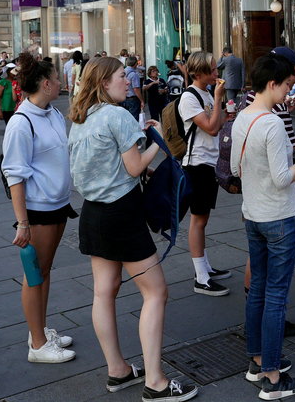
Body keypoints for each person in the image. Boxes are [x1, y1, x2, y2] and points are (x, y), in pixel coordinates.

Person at [68, 57, 198, 402]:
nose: (128, 81)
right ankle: (155, 381)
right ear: (104, 82)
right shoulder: (118, 115)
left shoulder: (81, 119)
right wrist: (159, 142)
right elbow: (134, 166)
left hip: (92, 214)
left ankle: (118, 370)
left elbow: (105, 164)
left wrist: (137, 138)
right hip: (122, 214)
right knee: (156, 292)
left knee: (103, 292)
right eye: (121, 76)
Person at [232, 55, 295, 400]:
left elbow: (238, 165)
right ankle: (272, 376)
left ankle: (257, 359)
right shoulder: (271, 123)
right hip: (279, 217)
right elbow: (283, 177)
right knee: (276, 295)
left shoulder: (242, 117)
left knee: (258, 288)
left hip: (253, 214)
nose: (290, 91)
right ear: (272, 84)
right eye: (287, 85)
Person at [2, 52, 77, 364]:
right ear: (46, 84)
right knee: (34, 274)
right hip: (38, 210)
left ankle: (41, 332)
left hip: (58, 205)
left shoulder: (52, 113)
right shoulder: (21, 123)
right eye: (57, 78)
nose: (61, 82)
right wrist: (22, 223)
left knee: (44, 272)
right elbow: (14, 175)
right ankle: (37, 344)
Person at [179, 51, 230, 296]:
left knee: (203, 219)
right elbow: (210, 128)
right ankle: (200, 277)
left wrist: (222, 109)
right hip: (196, 164)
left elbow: (217, 124)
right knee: (198, 220)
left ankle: (206, 267)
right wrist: (219, 99)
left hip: (210, 162)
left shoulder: (207, 93)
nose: (216, 74)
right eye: (211, 70)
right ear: (197, 73)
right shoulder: (189, 97)